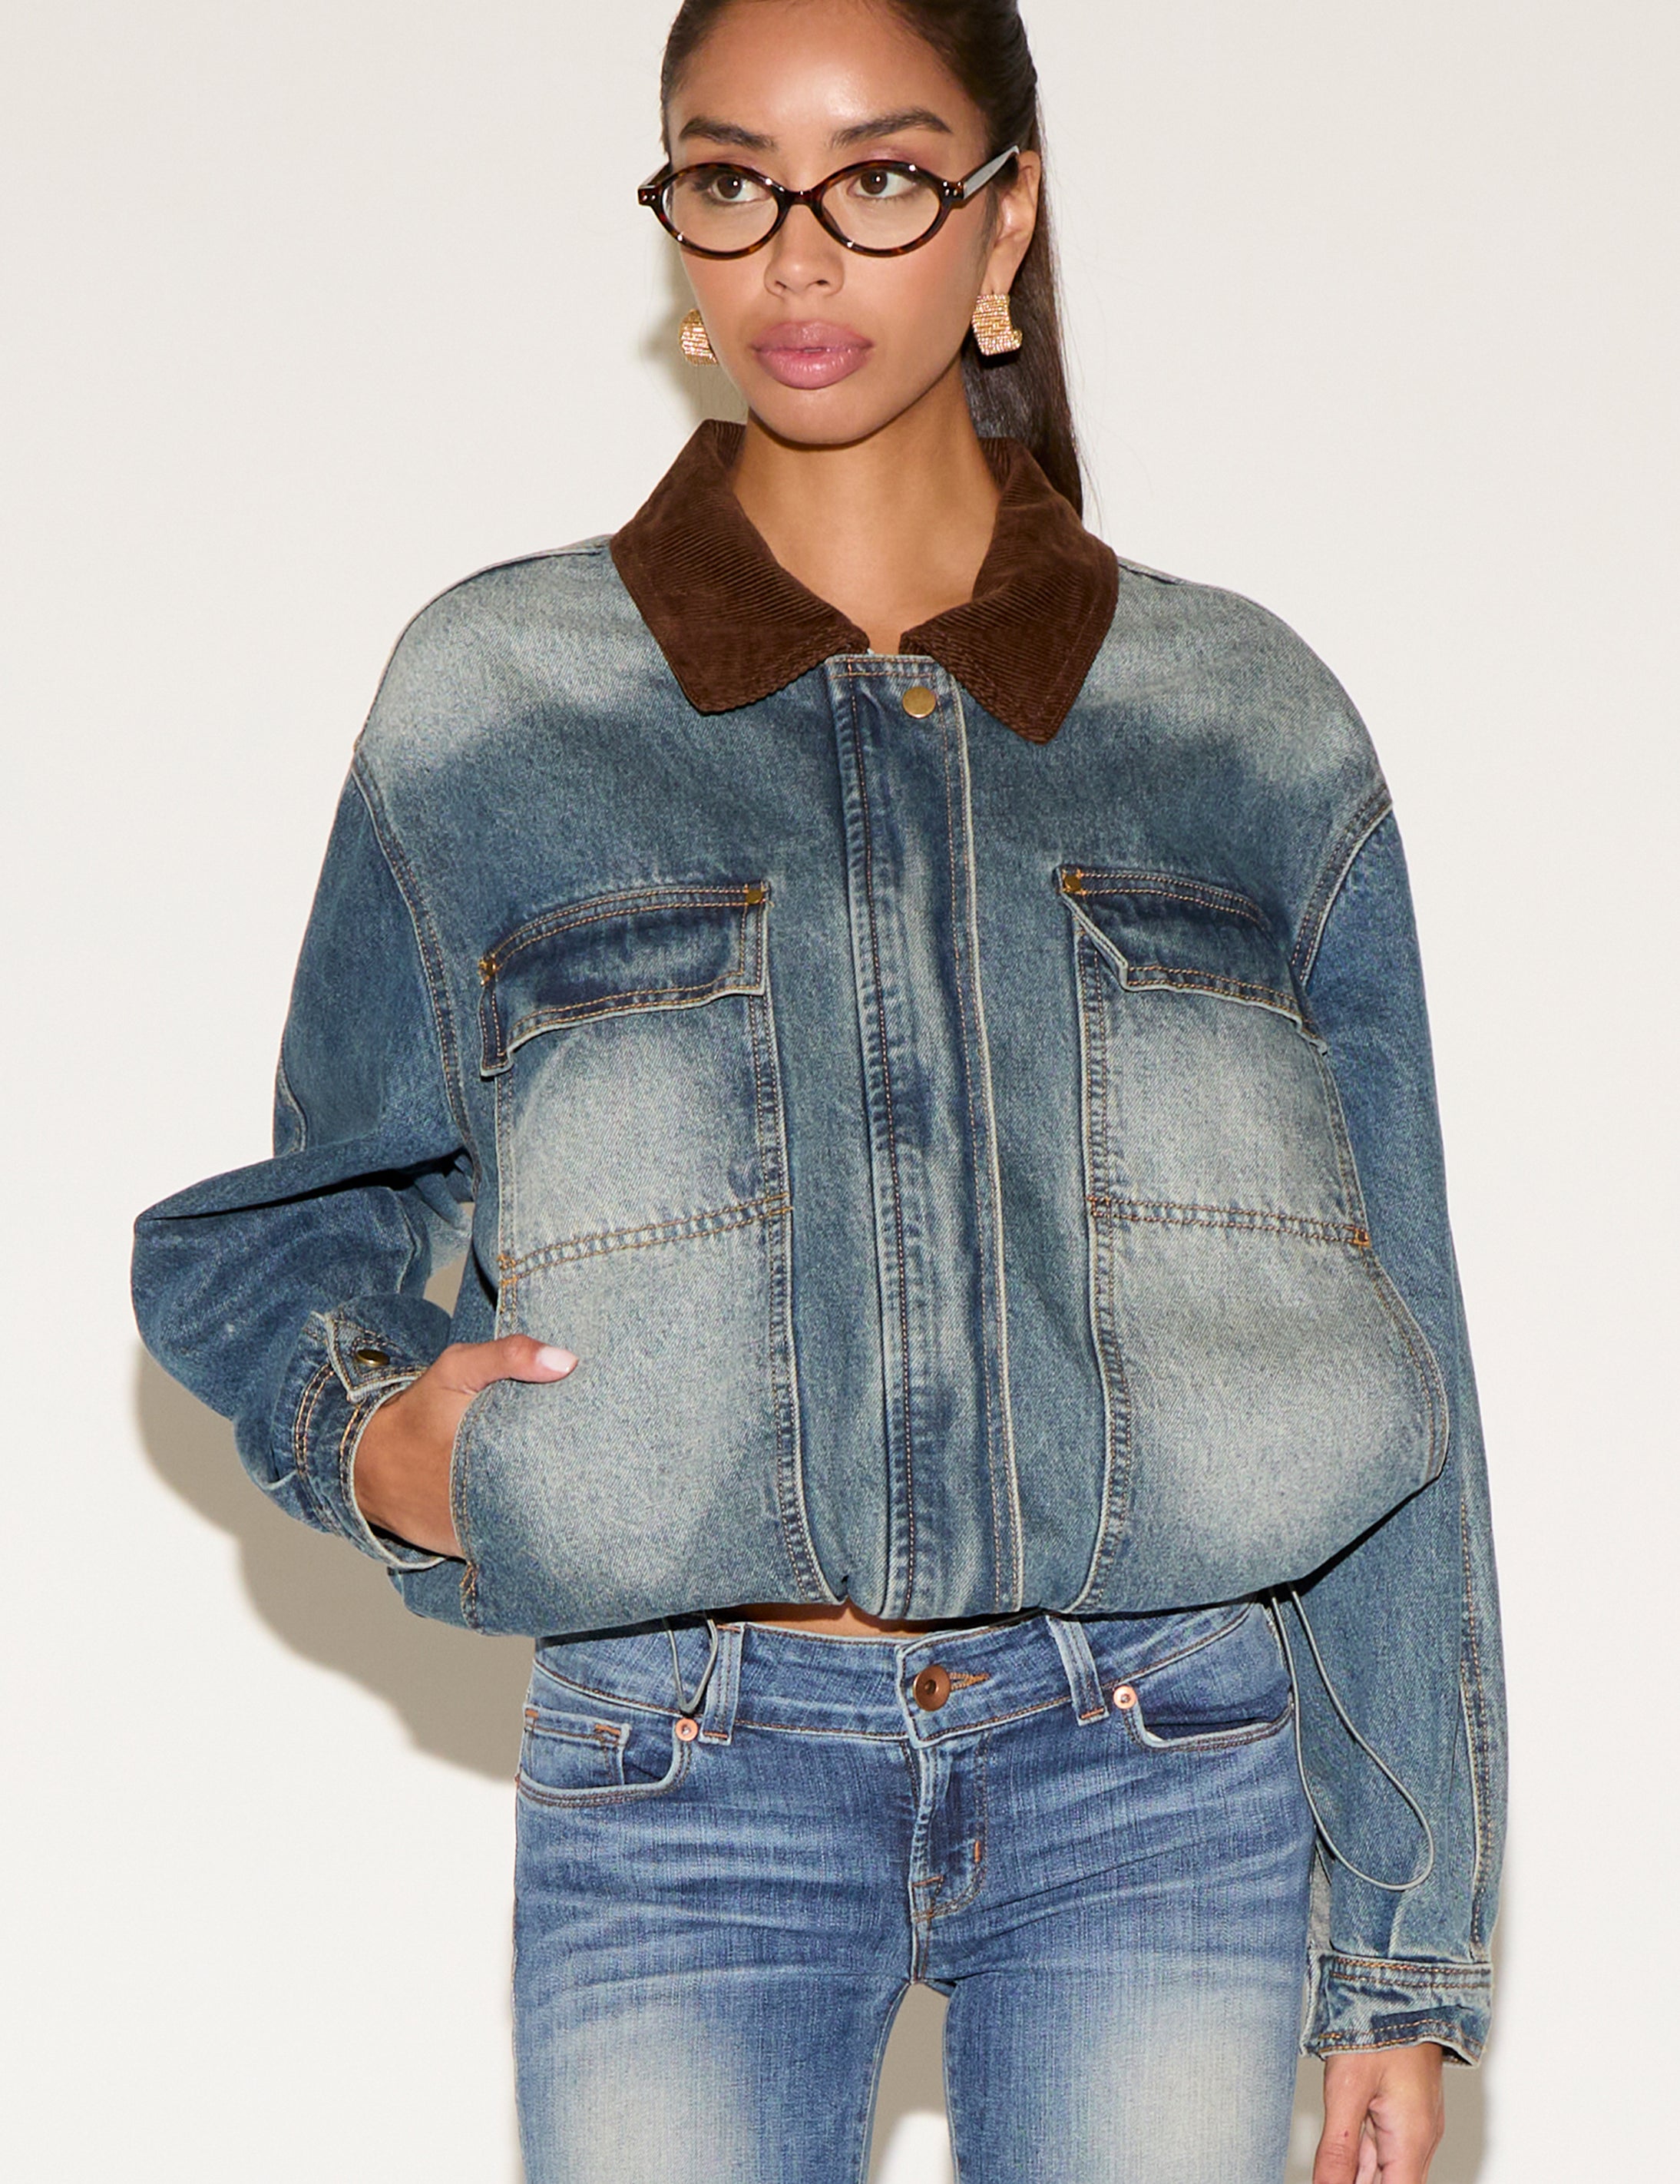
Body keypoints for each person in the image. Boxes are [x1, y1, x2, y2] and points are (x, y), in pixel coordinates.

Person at [131, 2, 1506, 2179]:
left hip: (1155, 1756)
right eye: (724, 177)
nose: (793, 252)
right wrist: (382, 1441)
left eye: (876, 178)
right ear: (673, 220)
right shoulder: (496, 702)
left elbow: (1391, 1340)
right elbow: (302, 1216)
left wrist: (1401, 1958)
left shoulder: (1244, 724)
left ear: (1000, 220)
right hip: (685, 1764)